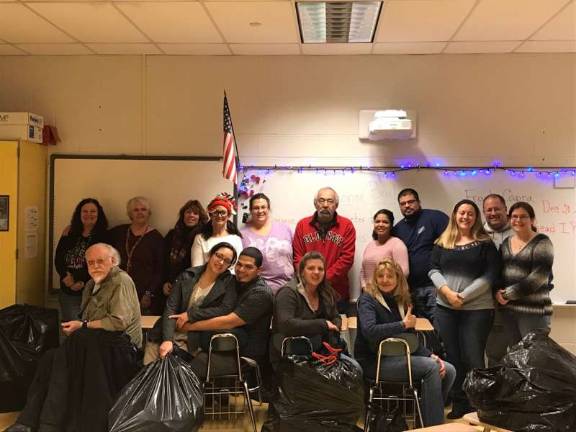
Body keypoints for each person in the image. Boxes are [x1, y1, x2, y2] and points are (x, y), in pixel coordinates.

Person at [7, 243, 141, 432]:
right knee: (50, 359)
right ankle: (28, 421)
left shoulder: (121, 280)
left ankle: (49, 424)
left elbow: (119, 322)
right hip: (92, 343)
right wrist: (79, 326)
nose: (95, 266)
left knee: (71, 348)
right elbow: (85, 320)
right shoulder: (90, 284)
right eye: (90, 262)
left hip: (120, 347)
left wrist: (82, 326)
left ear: (113, 261)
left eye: (100, 261)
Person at [355, 259, 455, 427]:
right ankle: (434, 427)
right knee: (432, 368)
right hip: (374, 361)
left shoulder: (401, 300)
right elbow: (370, 331)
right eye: (380, 276)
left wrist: (431, 355)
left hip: (399, 356)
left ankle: (422, 421)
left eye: (390, 276)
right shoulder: (368, 300)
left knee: (449, 370)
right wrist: (402, 324)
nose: (385, 280)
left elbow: (410, 339)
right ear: (375, 278)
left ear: (398, 279)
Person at [428, 199, 500, 419]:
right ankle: (460, 404)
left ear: (476, 217)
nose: (465, 217)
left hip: (476, 310)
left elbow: (491, 275)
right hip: (446, 308)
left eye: (470, 213)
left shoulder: (485, 243)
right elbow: (432, 269)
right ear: (455, 215)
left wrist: (464, 296)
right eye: (462, 213)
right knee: (453, 357)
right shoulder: (442, 242)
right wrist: (448, 293)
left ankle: (480, 404)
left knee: (473, 357)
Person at [175, 247, 274, 379]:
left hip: (244, 355)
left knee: (188, 371)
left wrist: (189, 326)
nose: (241, 270)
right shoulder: (235, 283)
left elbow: (229, 321)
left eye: (249, 267)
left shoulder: (261, 294)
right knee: (177, 358)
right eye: (239, 264)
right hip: (222, 346)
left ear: (259, 271)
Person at [144, 242, 237, 364]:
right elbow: (171, 307)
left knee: (173, 374)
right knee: (148, 371)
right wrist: (167, 340)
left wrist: (190, 315)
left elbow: (225, 309)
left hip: (192, 338)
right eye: (218, 256)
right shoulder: (188, 275)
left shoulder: (229, 282)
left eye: (226, 261)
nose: (221, 262)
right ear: (210, 255)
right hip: (167, 330)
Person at [496, 202, 554, 346]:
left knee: (533, 358)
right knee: (515, 358)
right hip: (509, 310)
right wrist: (497, 292)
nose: (518, 220)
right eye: (514, 217)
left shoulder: (542, 242)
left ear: (532, 220)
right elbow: (500, 272)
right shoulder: (506, 243)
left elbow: (538, 278)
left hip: (533, 311)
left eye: (523, 217)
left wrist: (506, 295)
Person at [293, 187, 356, 313]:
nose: (325, 205)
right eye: (321, 201)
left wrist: (320, 278)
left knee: (337, 330)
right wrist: (311, 280)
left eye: (330, 201)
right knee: (310, 330)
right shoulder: (302, 225)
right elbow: (297, 257)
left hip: (336, 295)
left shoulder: (347, 226)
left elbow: (346, 259)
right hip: (307, 294)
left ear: (336, 205)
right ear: (315, 204)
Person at [271, 250, 342, 363]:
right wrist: (323, 324)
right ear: (302, 271)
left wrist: (334, 327)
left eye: (320, 269)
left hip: (321, 352)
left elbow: (336, 316)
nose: (316, 272)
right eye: (311, 268)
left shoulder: (326, 291)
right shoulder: (288, 292)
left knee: (356, 370)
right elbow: (286, 324)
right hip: (291, 356)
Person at [393, 188, 449, 324]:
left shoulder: (436, 218)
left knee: (441, 328)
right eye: (403, 203)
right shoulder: (397, 229)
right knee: (421, 332)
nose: (407, 206)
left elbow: (452, 246)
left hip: (436, 287)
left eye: (411, 201)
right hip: (412, 290)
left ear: (419, 202)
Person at [107, 196, 164, 315]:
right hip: (118, 293)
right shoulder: (119, 232)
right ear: (130, 214)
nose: (140, 213)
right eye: (136, 210)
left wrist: (149, 293)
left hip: (144, 296)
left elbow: (160, 270)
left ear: (149, 213)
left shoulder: (156, 238)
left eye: (143, 209)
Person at [54, 198, 108, 321]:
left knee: (89, 331)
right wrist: (65, 276)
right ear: (79, 214)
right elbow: (59, 258)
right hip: (68, 290)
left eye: (93, 211)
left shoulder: (104, 236)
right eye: (85, 211)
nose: (89, 214)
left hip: (92, 291)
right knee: (71, 330)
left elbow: (101, 264)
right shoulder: (69, 232)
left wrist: (80, 280)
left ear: (99, 215)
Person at [482, 194, 514, 366]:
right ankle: (496, 391)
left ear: (505, 210)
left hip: (520, 300)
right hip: (491, 301)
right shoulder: (478, 234)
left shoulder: (519, 230)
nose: (493, 213)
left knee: (524, 352)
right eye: (489, 210)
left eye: (497, 209)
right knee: (495, 351)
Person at [241, 193, 294, 293]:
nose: (260, 211)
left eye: (263, 207)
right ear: (251, 211)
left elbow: (297, 254)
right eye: (256, 208)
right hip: (257, 290)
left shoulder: (285, 228)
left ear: (268, 209)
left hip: (288, 287)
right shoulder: (243, 235)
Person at [163, 199, 209, 297]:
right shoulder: (172, 235)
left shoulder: (204, 237)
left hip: (193, 287)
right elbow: (163, 261)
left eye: (195, 213)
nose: (191, 215)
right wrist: (165, 281)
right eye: (188, 212)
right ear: (183, 215)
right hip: (171, 285)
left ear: (200, 217)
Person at [360, 208, 409, 290]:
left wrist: (384, 289)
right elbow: (362, 271)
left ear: (391, 225)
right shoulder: (370, 245)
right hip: (368, 294)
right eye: (377, 221)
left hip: (388, 295)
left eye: (385, 222)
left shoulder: (397, 244)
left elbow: (404, 273)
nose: (380, 224)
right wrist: (365, 287)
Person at [191, 193, 243, 267]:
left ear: (228, 215)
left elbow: (237, 267)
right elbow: (196, 268)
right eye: (216, 212)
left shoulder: (236, 239)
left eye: (223, 213)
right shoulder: (200, 239)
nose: (219, 216)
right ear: (210, 215)